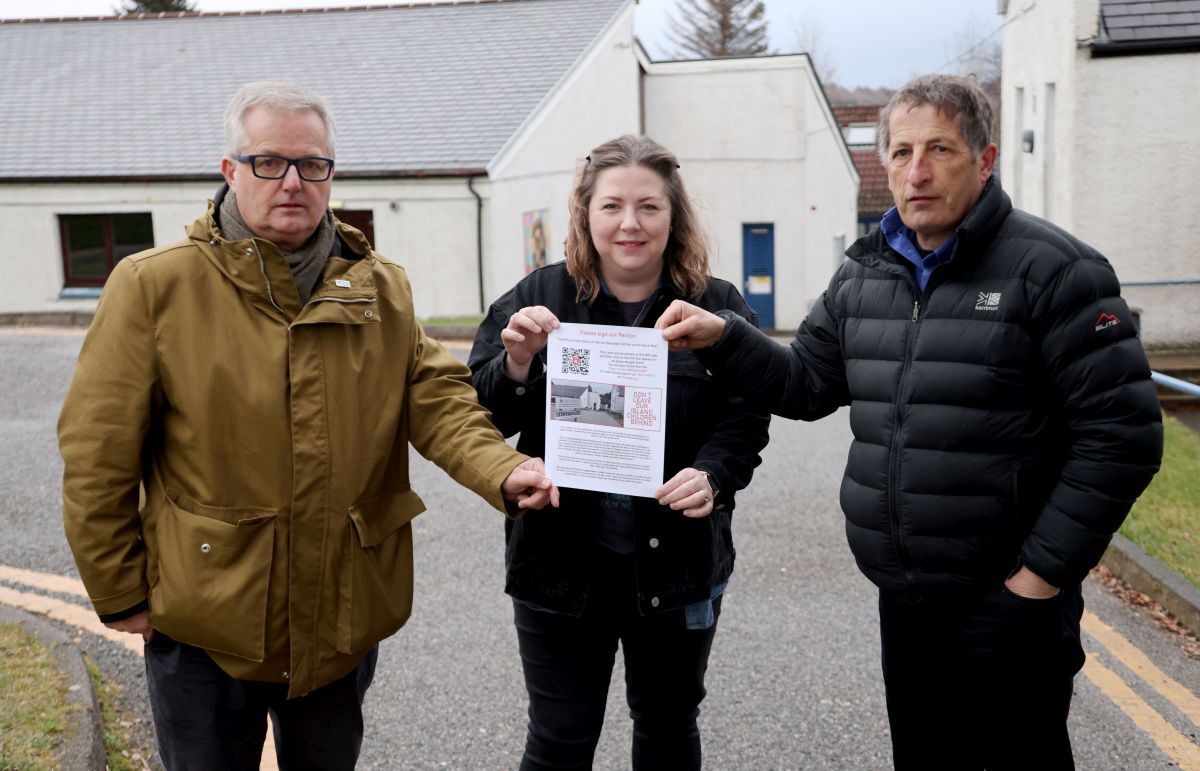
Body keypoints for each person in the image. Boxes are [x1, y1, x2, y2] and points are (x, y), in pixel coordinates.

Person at [655, 74, 1163, 770]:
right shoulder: (867, 271)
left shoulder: (1055, 270)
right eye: (899, 152)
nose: (916, 171)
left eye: (940, 150)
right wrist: (726, 336)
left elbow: (1122, 437)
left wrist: (1038, 577)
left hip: (1010, 599)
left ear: (984, 161)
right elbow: (805, 382)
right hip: (908, 597)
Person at [58, 81, 558, 771]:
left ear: (331, 173)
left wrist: (504, 469)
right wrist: (119, 594)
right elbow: (97, 453)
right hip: (207, 622)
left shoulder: (381, 287)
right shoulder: (152, 286)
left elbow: (436, 400)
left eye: (312, 164)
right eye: (270, 162)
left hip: (340, 617)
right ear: (230, 170)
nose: (293, 181)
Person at [468, 134, 770, 770]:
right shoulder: (537, 297)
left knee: (667, 729)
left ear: (673, 216)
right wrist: (518, 362)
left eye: (649, 207)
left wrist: (714, 476)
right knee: (558, 741)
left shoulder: (717, 306)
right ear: (585, 214)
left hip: (678, 564)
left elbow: (745, 416)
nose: (629, 223)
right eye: (611, 207)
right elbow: (479, 418)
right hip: (559, 565)